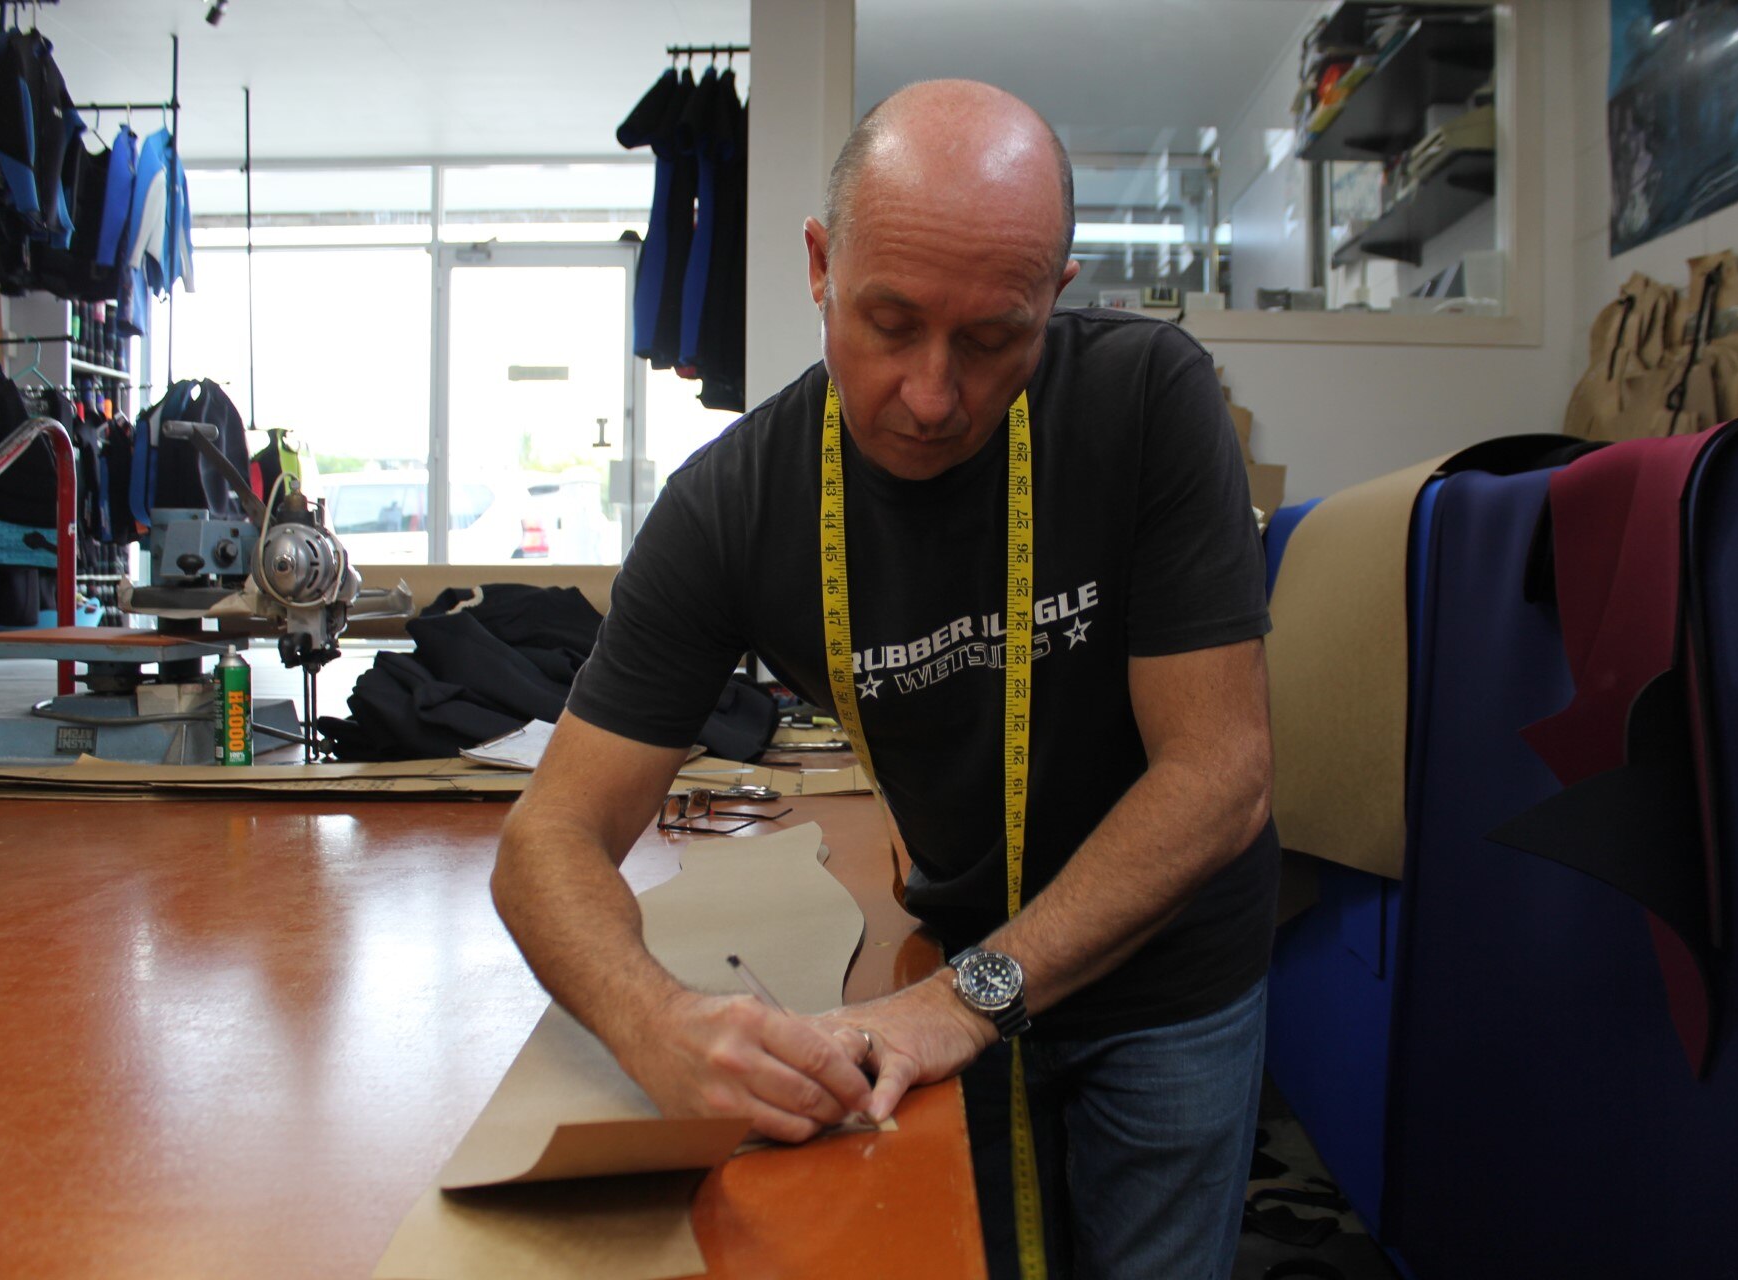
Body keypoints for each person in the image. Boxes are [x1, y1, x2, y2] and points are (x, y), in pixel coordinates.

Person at [491, 79, 1279, 1280]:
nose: (930, 393)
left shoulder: (1148, 401)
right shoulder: (735, 506)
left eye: (993, 337)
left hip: (1165, 975)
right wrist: (657, 1025)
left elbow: (1222, 775)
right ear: (818, 264)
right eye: (890, 320)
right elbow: (547, 835)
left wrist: (971, 1000)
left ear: (1056, 303)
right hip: (941, 964)